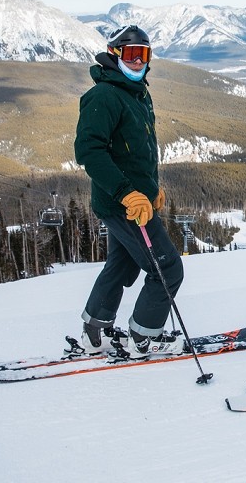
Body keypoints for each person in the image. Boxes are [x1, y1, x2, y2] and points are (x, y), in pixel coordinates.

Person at [74, 25, 185, 356]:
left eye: (144, 55)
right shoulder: (104, 96)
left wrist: (152, 188)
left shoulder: (136, 92)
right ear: (114, 55)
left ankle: (94, 331)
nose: (138, 62)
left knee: (121, 266)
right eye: (131, 54)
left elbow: (137, 151)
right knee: (167, 268)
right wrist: (127, 193)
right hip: (124, 204)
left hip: (137, 201)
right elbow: (89, 151)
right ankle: (143, 336)